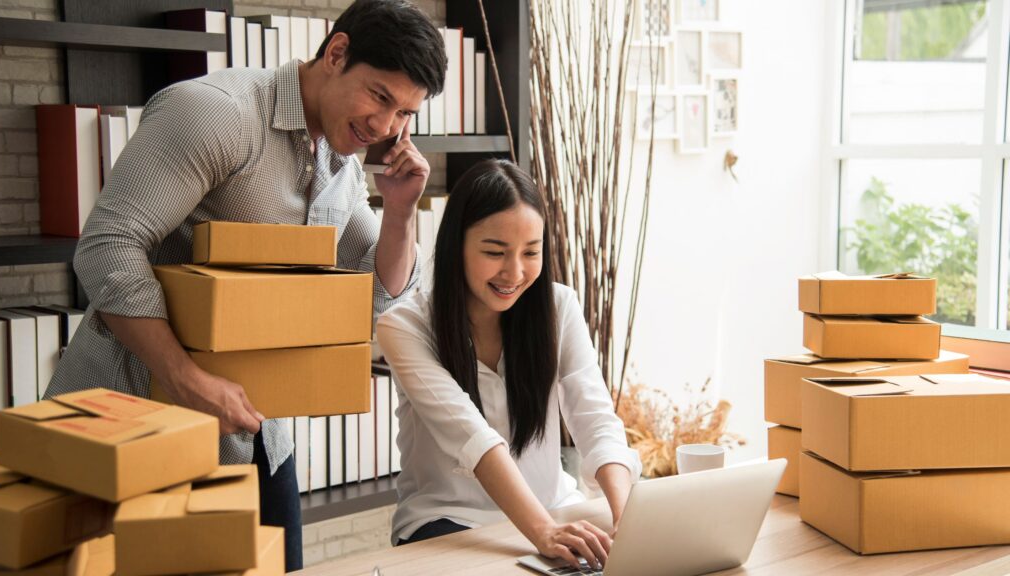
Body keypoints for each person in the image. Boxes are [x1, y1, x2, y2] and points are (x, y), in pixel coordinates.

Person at [44, 0, 446, 570]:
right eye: (380, 97)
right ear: (336, 54)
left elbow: (377, 296)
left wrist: (402, 213)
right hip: (133, 418)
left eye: (405, 113)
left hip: (254, 433)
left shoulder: (342, 158)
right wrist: (186, 379)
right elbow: (107, 246)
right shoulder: (215, 113)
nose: (387, 128)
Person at [376, 159, 642, 570]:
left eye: (530, 252)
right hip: (450, 523)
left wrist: (628, 517)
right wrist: (543, 532)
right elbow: (472, 438)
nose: (514, 272)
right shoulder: (404, 327)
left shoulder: (559, 308)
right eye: (494, 252)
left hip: (555, 510)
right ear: (456, 247)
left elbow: (596, 420)